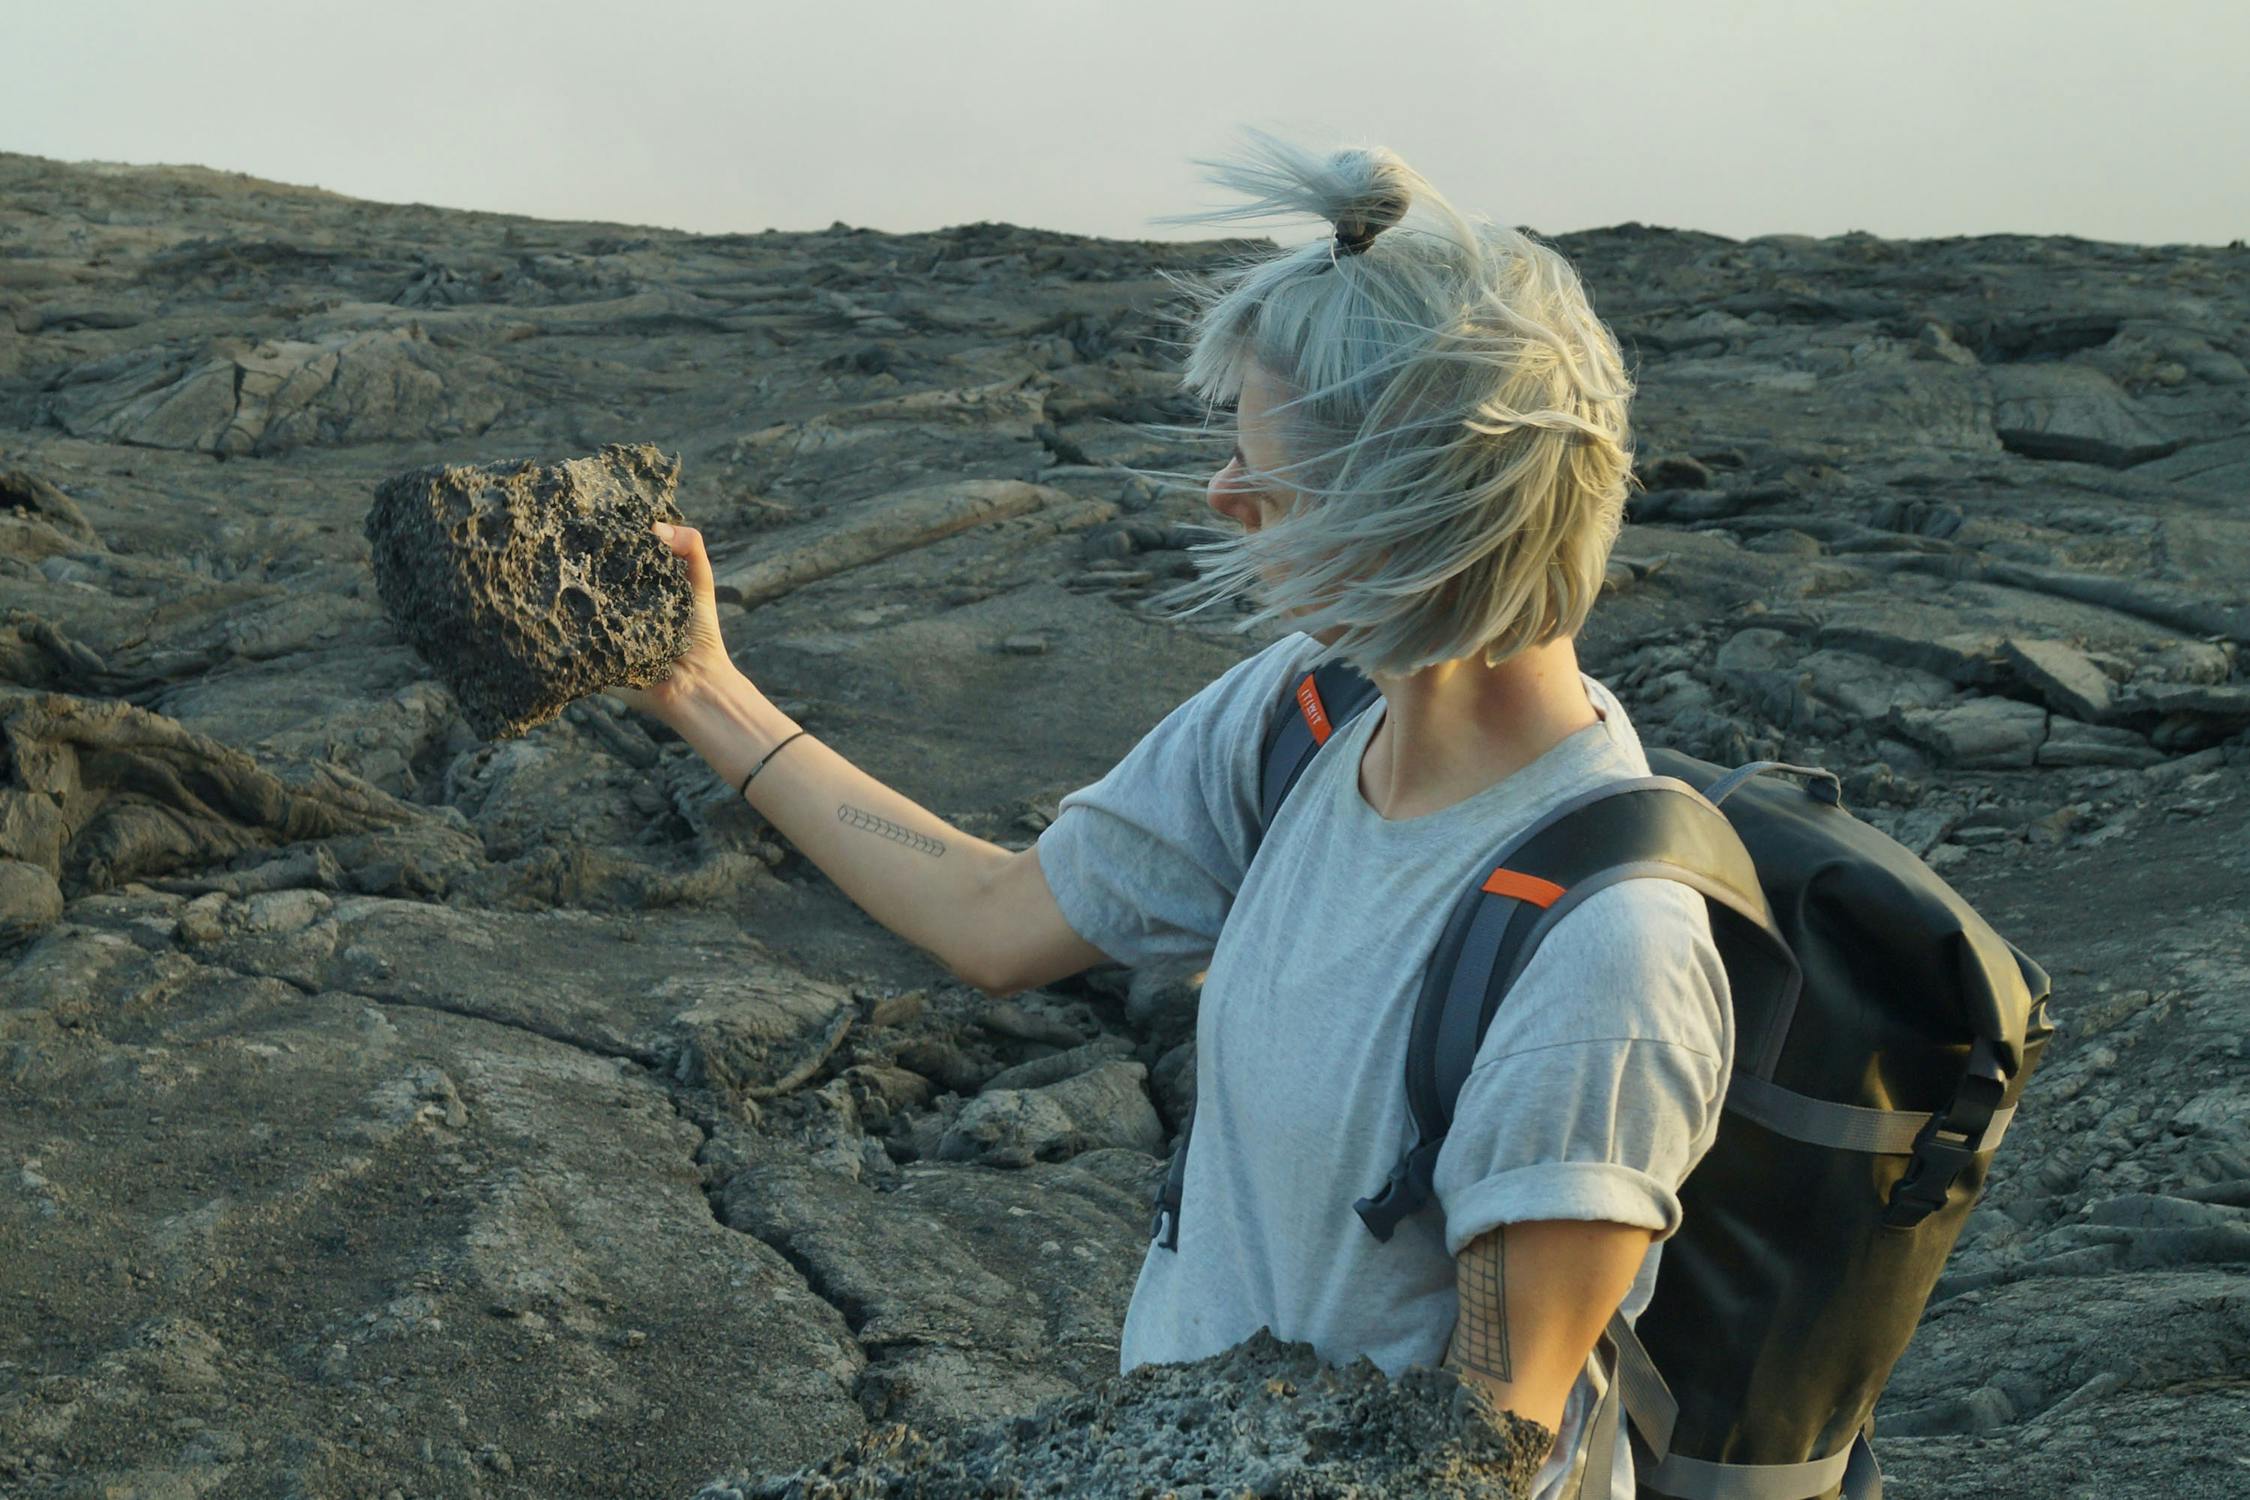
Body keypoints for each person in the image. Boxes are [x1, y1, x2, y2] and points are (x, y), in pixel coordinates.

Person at [607, 128, 1729, 1500]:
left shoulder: (1604, 960)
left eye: (1265, 472)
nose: (1223, 496)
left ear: (1410, 505)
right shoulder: (1305, 717)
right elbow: (995, 918)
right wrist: (698, 687)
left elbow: (1479, 1455)